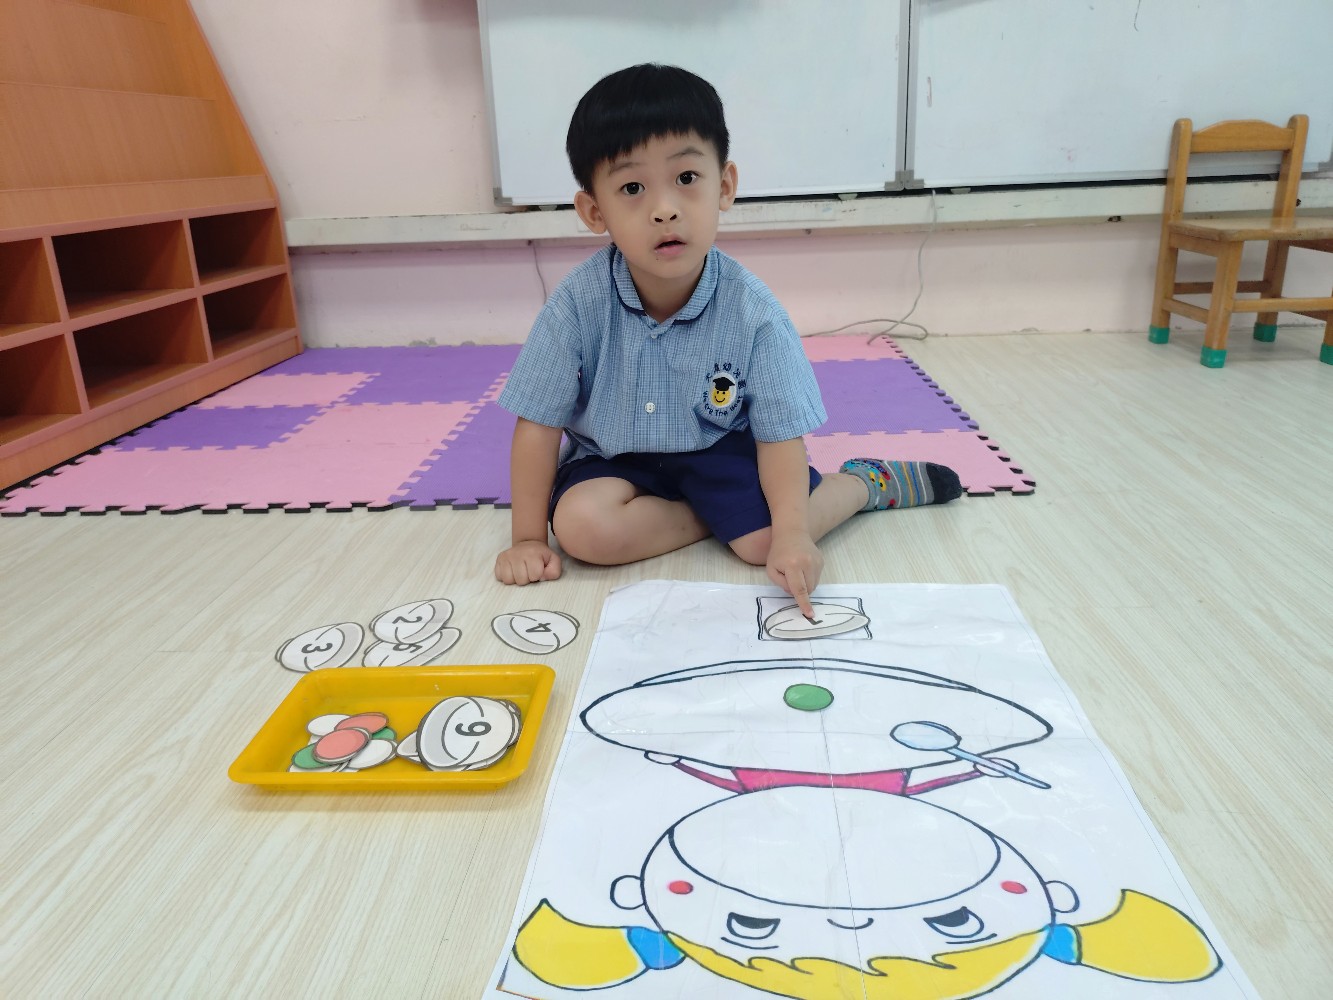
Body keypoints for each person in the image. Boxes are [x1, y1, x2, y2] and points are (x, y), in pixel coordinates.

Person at [494, 64, 961, 613]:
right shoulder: (576, 304)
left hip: (720, 451)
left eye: (687, 178)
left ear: (725, 186)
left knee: (765, 543)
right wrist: (527, 538)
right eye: (632, 188)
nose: (665, 208)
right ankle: (721, 517)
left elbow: (780, 434)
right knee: (582, 530)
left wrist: (792, 533)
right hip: (614, 458)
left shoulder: (753, 312)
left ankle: (862, 484)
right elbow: (538, 423)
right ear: (595, 212)